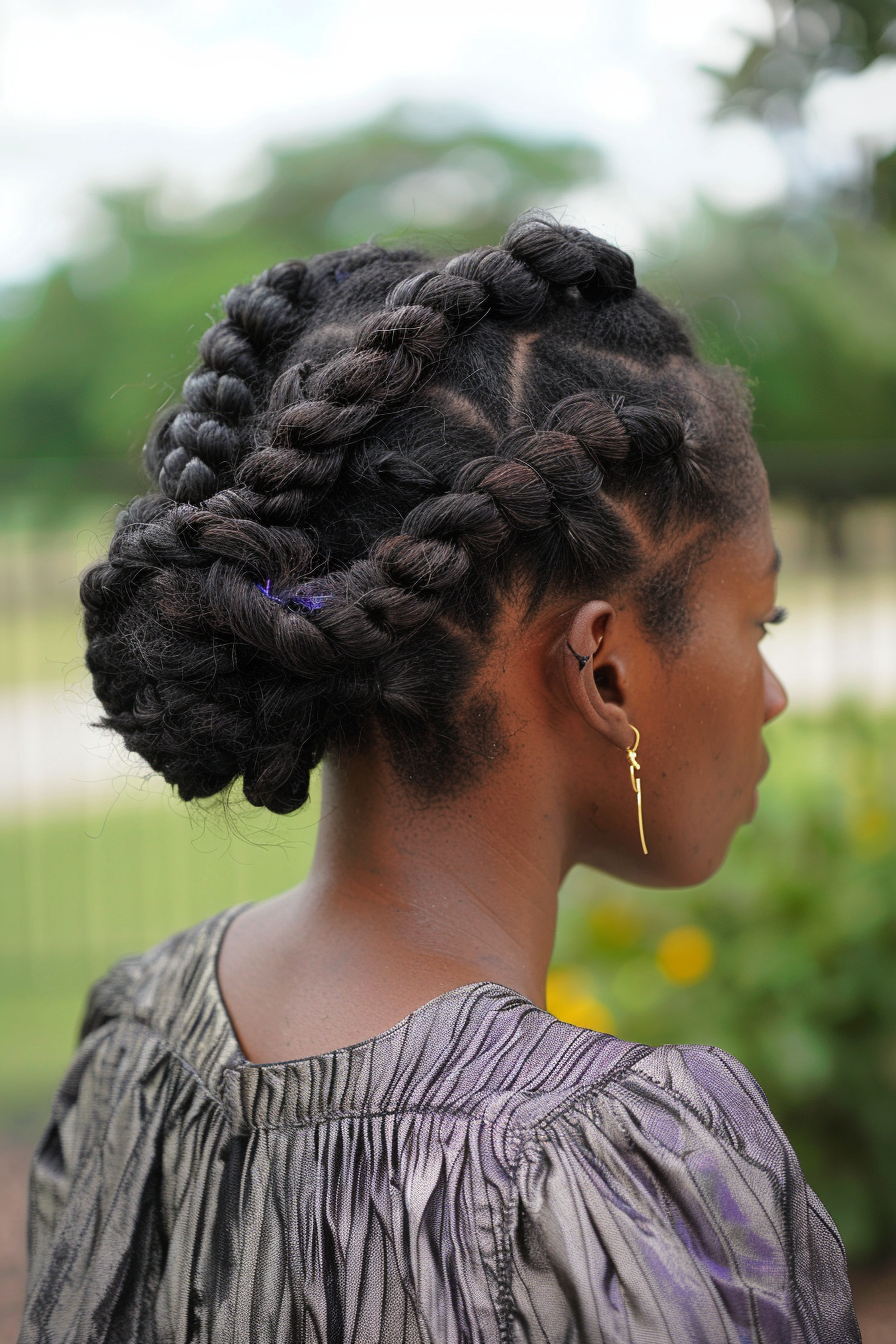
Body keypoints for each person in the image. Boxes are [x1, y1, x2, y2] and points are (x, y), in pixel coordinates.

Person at [20, 215, 858, 1342]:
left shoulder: (133, 1037)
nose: (770, 692)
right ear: (603, 667)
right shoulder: (623, 1169)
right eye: (761, 618)